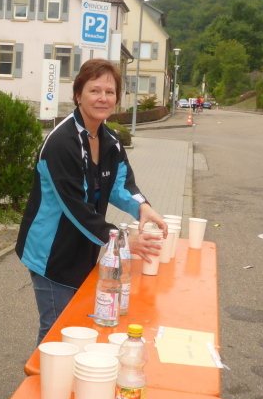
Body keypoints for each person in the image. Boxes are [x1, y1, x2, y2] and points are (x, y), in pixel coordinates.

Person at [16, 59, 168, 345]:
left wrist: (143, 208)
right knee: (57, 331)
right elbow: (76, 208)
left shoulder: (110, 140)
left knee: (80, 326)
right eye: (94, 90)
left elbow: (121, 186)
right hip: (51, 253)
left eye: (109, 92)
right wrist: (122, 241)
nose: (103, 98)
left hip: (86, 246)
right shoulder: (61, 144)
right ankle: (42, 373)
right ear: (78, 95)